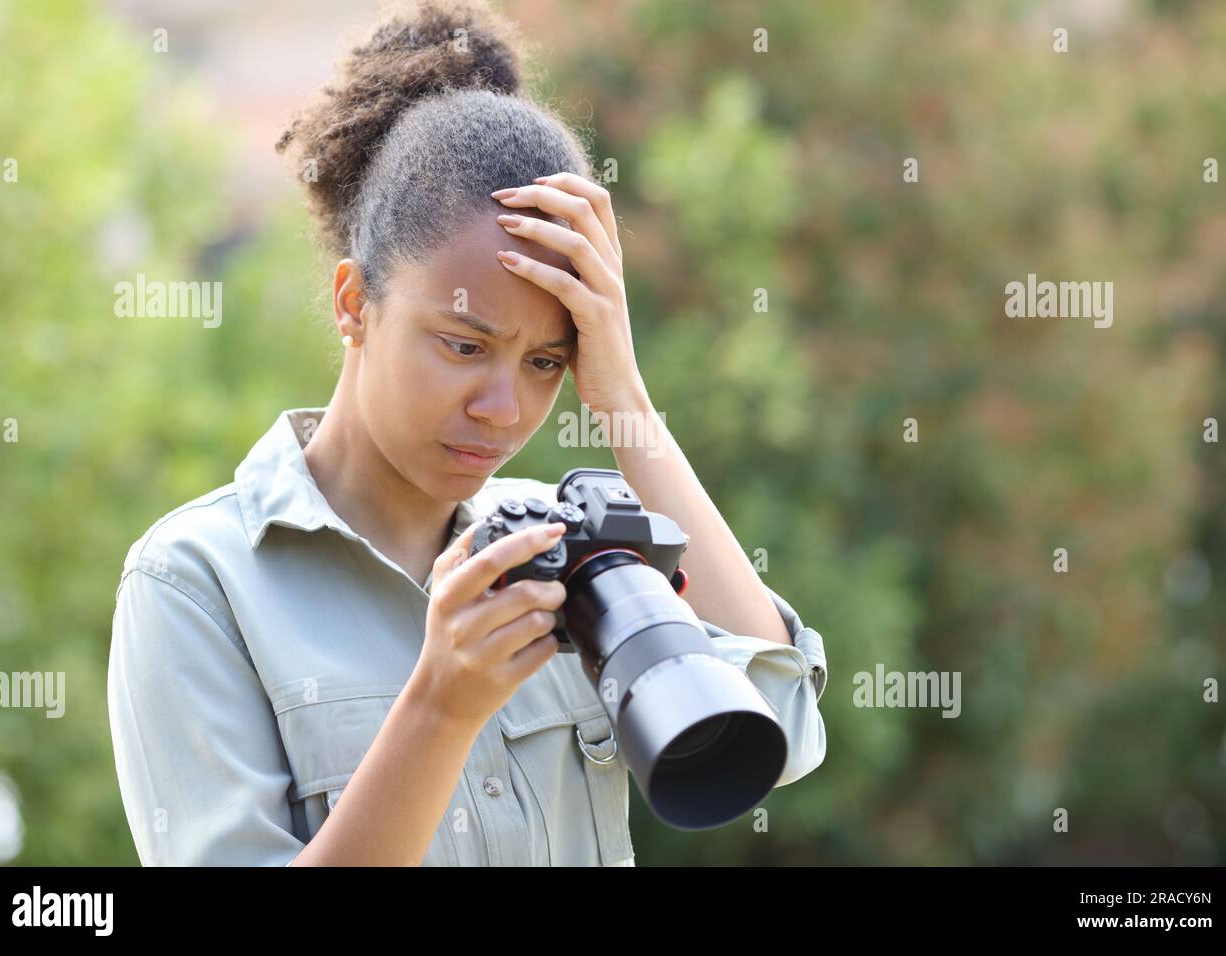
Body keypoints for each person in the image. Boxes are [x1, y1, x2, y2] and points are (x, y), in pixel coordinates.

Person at [106, 0, 827, 867]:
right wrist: (441, 707)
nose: (504, 409)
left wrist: (624, 394)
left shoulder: (568, 551)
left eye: (546, 365)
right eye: (463, 345)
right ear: (353, 303)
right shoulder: (197, 582)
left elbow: (781, 724)